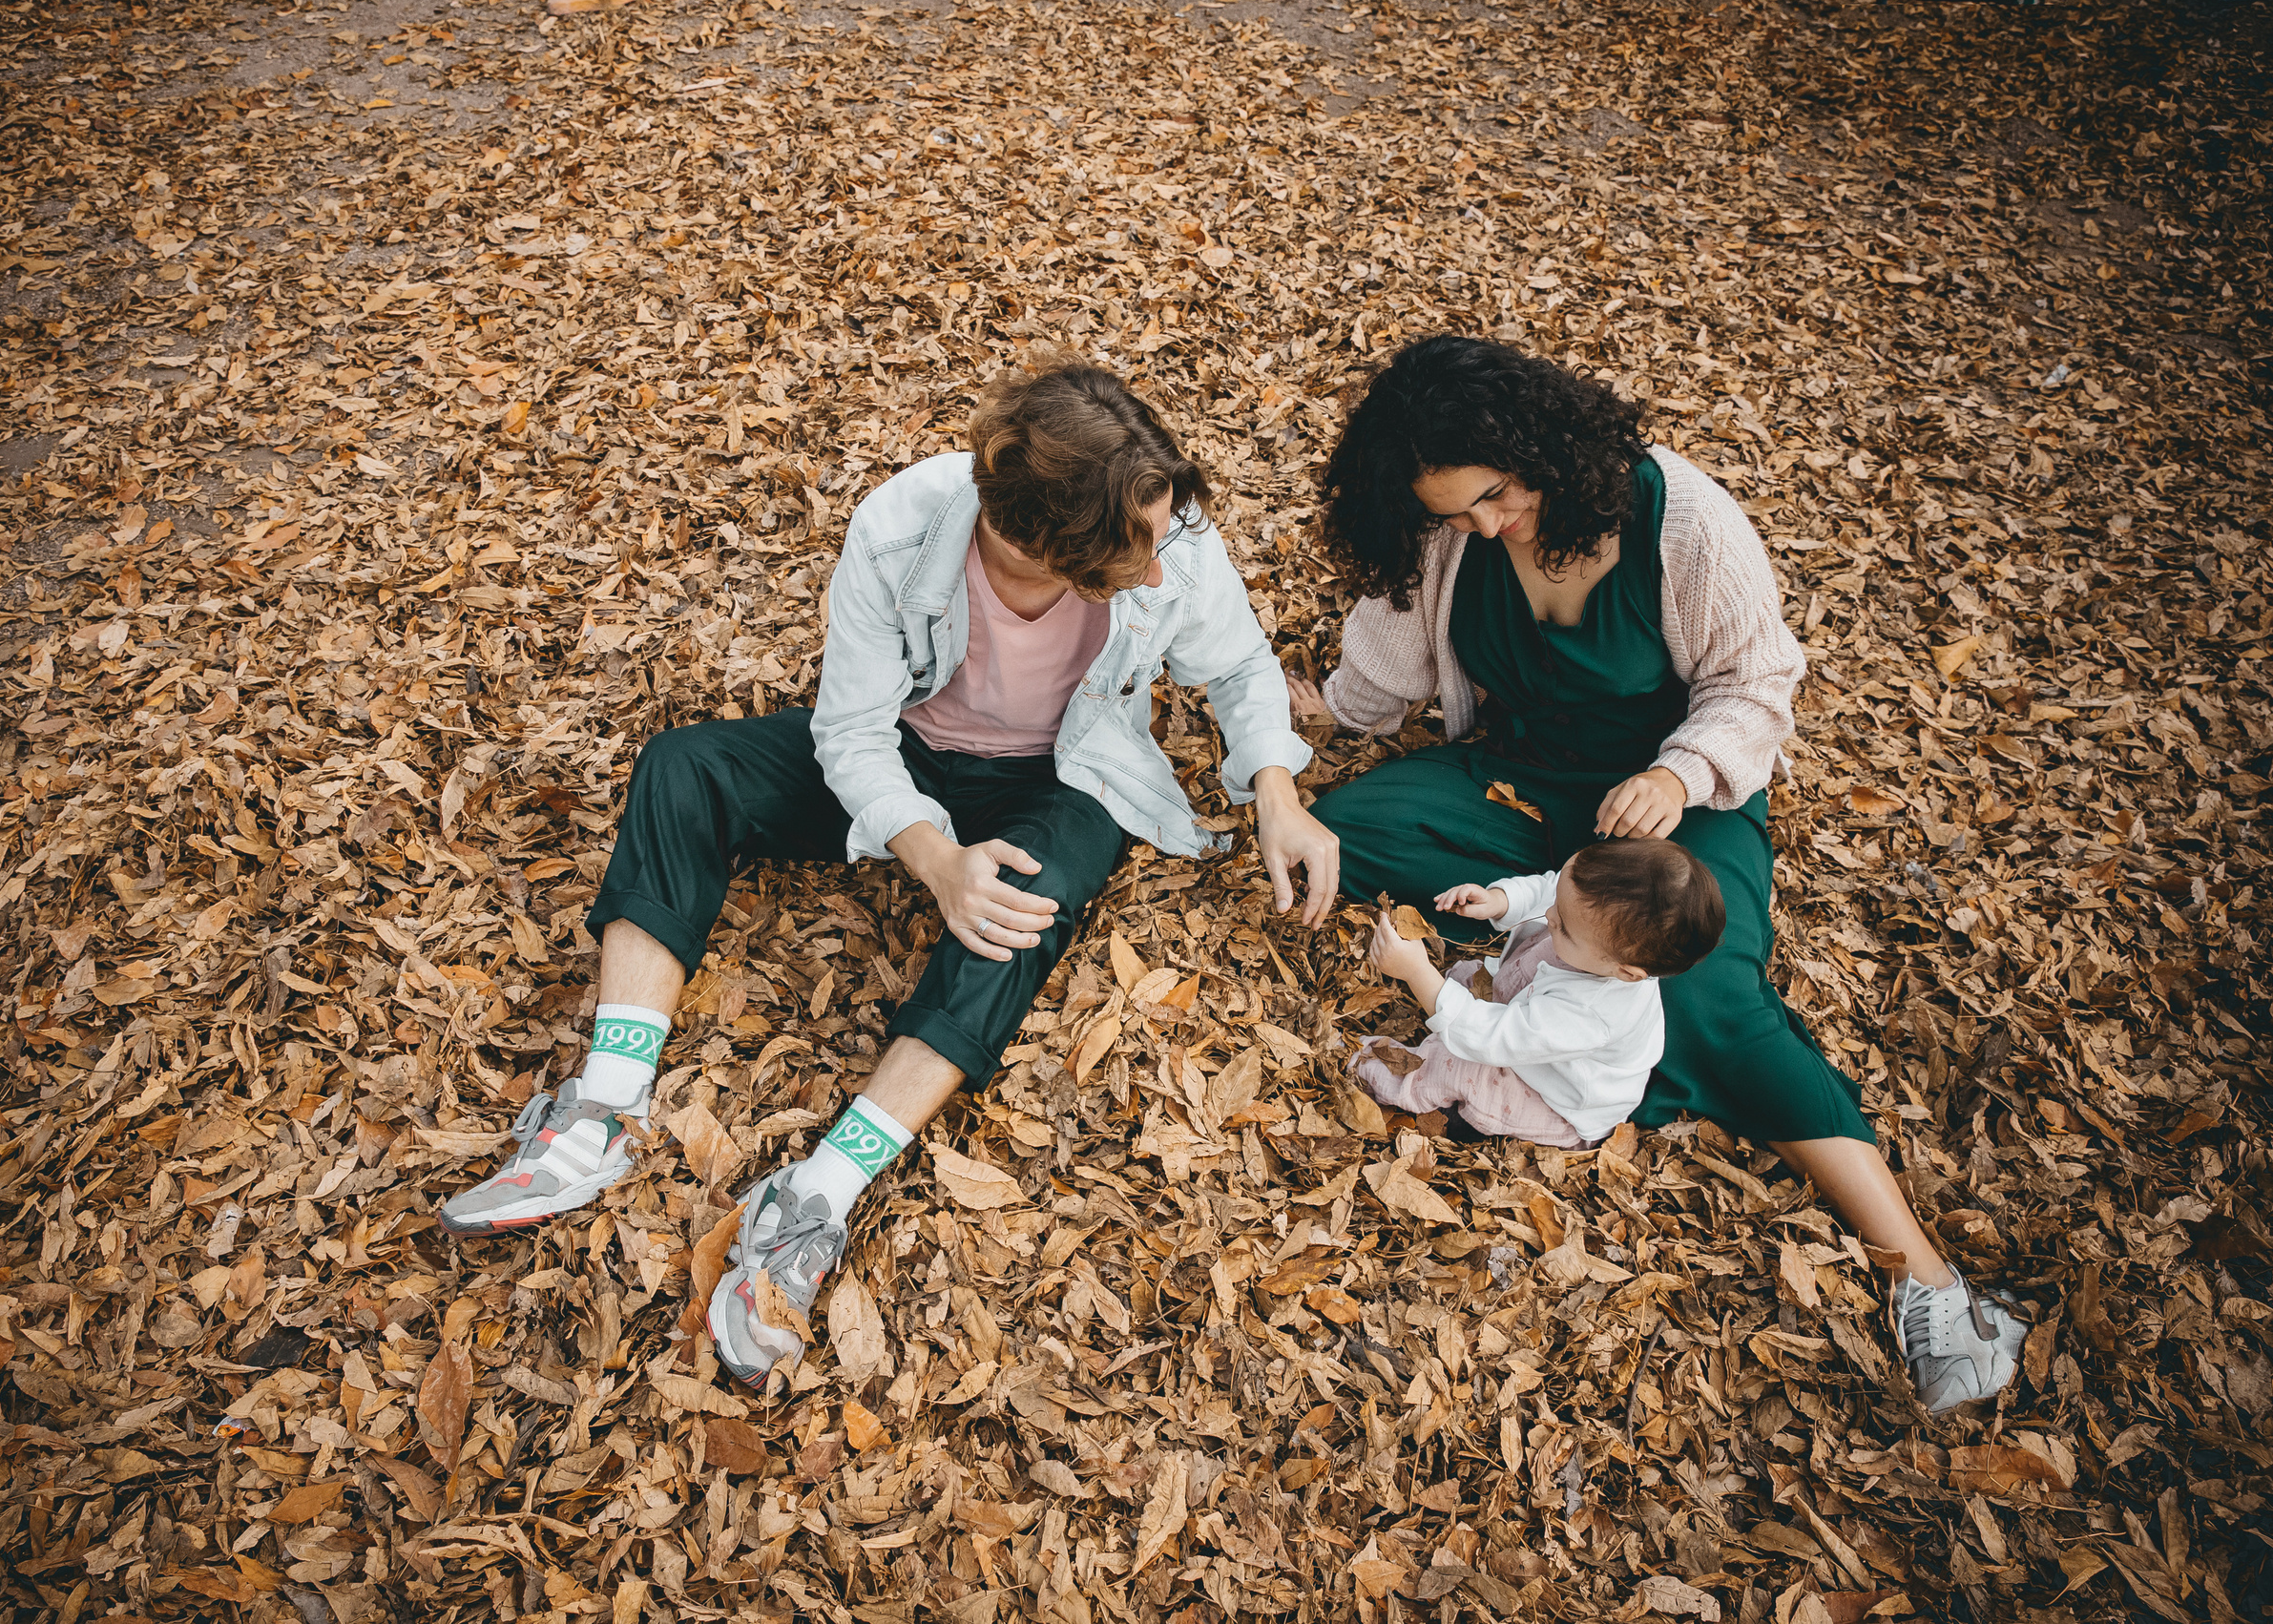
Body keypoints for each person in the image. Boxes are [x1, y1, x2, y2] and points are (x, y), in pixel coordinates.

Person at [435, 361, 1342, 1389]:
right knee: (684, 767)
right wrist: (935, 857)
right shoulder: (902, 525)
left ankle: (821, 1190)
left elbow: (1236, 665)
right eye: (1131, 555)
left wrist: (1275, 789)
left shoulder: (1164, 530)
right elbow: (853, 734)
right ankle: (604, 1108)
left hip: (1071, 772)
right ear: (1041, 545)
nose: (1158, 571)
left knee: (1020, 906)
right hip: (909, 757)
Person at [1291, 333, 2024, 1414]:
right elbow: (1389, 661)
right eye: (1456, 513)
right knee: (1341, 835)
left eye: (1494, 496)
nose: (1484, 527)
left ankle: (1922, 1276)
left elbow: (1757, 681)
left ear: (1541, 447)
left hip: (1664, 811)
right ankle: (1556, 947)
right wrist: (1322, 711)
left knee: (1710, 990)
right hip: (1521, 787)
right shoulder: (1450, 536)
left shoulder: (1678, 517)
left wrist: (1680, 776)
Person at [1359, 839, 1723, 1149]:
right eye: (1559, 906)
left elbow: (1495, 1038)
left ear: (1626, 973)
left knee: (1464, 1065)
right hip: (1530, 1015)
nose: (1549, 916)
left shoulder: (1592, 1013)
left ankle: (1386, 1079)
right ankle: (1455, 1014)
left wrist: (1416, 973)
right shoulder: (1590, 921)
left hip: (1555, 1095)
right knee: (1470, 980)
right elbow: (1550, 887)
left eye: (1563, 926)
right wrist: (1501, 900)